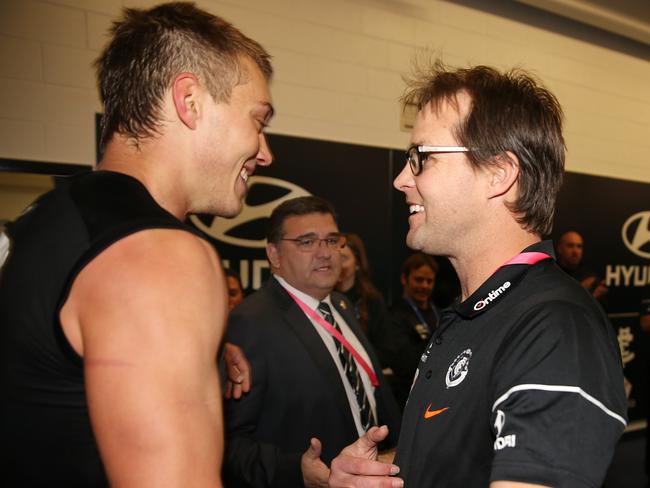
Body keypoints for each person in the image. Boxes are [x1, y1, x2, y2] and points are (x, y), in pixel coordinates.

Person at [0, 3, 273, 487]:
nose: (265, 152)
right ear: (189, 101)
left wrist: (200, 350)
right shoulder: (158, 256)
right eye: (259, 120)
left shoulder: (52, 218)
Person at [329, 61, 627, 488]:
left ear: (499, 174)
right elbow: (467, 457)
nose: (401, 180)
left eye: (422, 158)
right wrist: (379, 474)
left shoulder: (555, 325)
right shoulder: (477, 314)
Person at [223, 196, 401, 487]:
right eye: (307, 242)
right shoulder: (250, 322)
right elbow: (228, 444)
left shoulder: (341, 307)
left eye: (332, 240)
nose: (325, 253)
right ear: (274, 253)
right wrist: (297, 472)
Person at [387, 252, 440, 409]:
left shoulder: (442, 314)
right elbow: (404, 362)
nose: (424, 286)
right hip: (408, 397)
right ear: (404, 279)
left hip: (438, 392)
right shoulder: (394, 315)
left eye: (429, 281)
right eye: (418, 280)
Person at [336, 233, 393, 363]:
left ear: (357, 264)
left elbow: (387, 349)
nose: (338, 264)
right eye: (335, 258)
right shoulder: (325, 299)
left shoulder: (372, 300)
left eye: (343, 258)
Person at [556, 230, 608, 301]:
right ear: (559, 249)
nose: (575, 251)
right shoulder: (550, 274)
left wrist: (595, 297)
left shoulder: (591, 277)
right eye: (570, 246)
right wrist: (581, 290)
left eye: (579, 246)